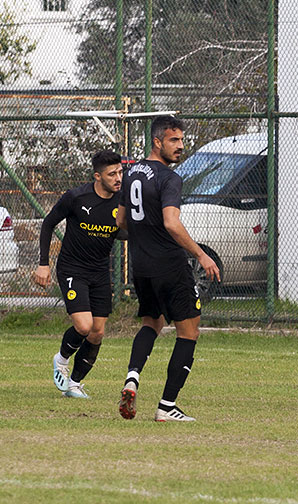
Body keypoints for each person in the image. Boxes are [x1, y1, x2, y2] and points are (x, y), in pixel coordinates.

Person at [116, 115, 220, 422]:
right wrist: (202, 255)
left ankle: (132, 378)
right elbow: (171, 223)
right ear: (157, 141)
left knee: (152, 323)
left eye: (182, 141)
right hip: (170, 266)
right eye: (174, 141)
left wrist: (142, 235)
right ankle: (166, 406)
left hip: (141, 267)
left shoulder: (131, 173)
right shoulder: (169, 178)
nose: (180, 147)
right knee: (189, 332)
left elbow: (121, 223)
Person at [33, 150, 124, 399]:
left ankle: (73, 384)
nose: (118, 178)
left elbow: (125, 232)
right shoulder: (76, 197)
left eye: (120, 172)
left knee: (97, 332)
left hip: (99, 271)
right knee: (84, 326)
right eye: (112, 174)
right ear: (97, 176)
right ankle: (61, 358)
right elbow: (48, 223)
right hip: (72, 268)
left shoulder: (123, 201)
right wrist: (43, 264)